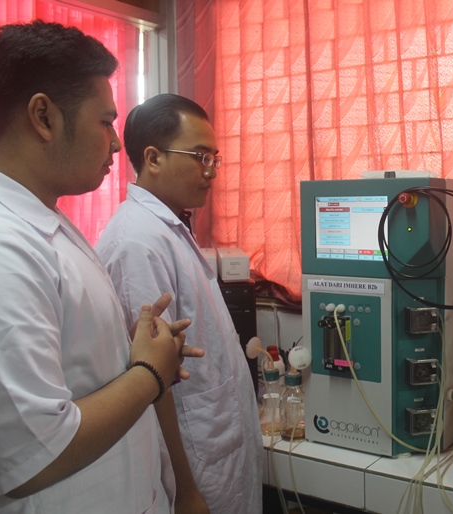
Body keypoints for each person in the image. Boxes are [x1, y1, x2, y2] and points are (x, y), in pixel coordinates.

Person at [0, 21, 206, 513]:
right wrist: (150, 372)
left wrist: (129, 347)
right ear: (44, 117)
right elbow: (33, 455)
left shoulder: (45, 221)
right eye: (105, 122)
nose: (117, 144)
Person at [96, 94, 262, 513]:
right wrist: (185, 490)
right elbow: (153, 380)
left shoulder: (169, 227)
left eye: (215, 158)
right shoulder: (136, 243)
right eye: (200, 156)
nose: (211, 171)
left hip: (218, 445)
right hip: (194, 469)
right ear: (153, 158)